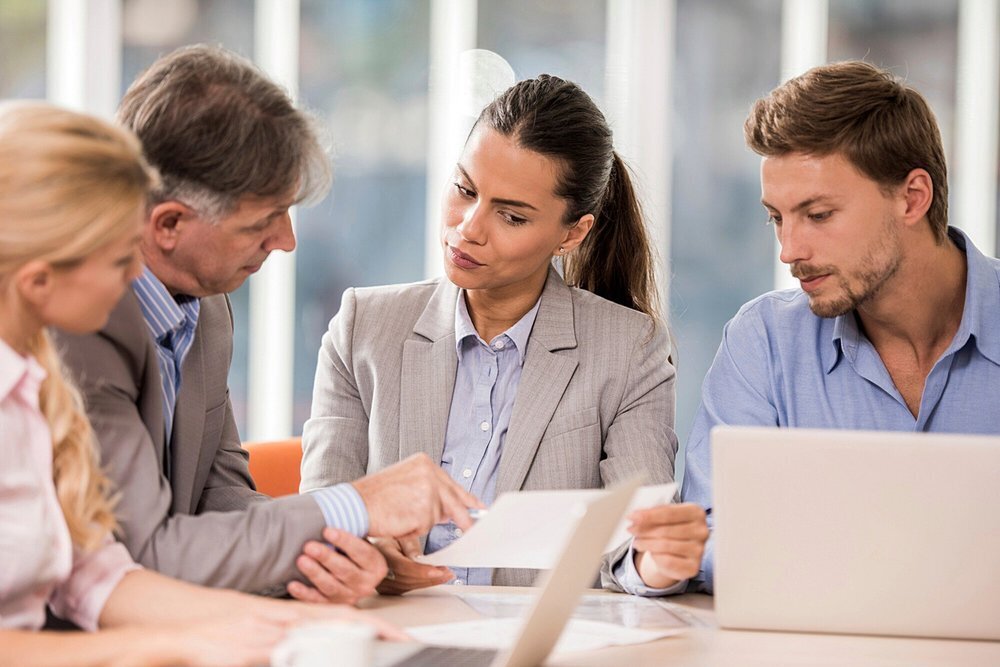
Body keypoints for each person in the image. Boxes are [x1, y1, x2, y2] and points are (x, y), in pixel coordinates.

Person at [54, 44, 480, 605]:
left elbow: (218, 492)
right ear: (169, 225)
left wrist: (332, 552)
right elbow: (144, 550)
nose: (286, 241)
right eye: (261, 222)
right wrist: (356, 503)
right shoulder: (74, 329)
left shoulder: (206, 307)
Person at [0, 101, 403, 667]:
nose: (139, 276)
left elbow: (95, 578)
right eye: (121, 260)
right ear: (39, 281)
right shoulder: (70, 363)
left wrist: (290, 621)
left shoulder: (34, 385)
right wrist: (171, 645)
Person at [299, 74, 707, 593]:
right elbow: (320, 520)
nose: (469, 227)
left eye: (511, 216)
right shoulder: (364, 328)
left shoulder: (629, 350)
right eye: (465, 189)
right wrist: (369, 557)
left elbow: (636, 546)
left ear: (572, 233)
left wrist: (660, 563)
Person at [668, 60, 1000, 594]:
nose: (790, 250)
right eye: (777, 217)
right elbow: (711, 534)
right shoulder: (764, 342)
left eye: (818, 214)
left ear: (913, 197)